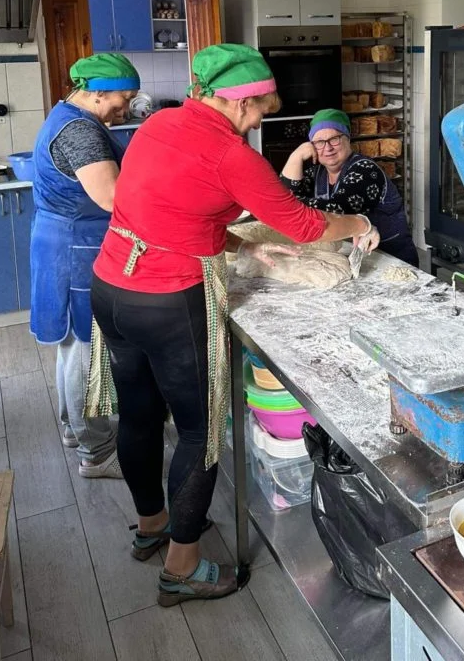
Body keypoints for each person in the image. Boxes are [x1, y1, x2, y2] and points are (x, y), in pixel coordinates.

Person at [91, 44, 379, 606]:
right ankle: (182, 566)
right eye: (261, 109)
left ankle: (152, 526)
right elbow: (300, 224)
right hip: (169, 300)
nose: (262, 118)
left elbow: (156, 202)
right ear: (242, 102)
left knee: (141, 412)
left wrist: (223, 238)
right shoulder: (231, 155)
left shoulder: (158, 124)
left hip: (112, 286)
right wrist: (359, 221)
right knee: (199, 431)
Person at [30, 51, 140, 479]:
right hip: (77, 251)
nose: (126, 109)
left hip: (61, 243)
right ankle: (96, 453)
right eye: (122, 98)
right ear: (97, 93)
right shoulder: (81, 132)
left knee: (70, 347)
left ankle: (74, 431)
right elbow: (112, 199)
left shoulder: (65, 116)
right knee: (86, 351)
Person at [281, 108, 419, 267]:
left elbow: (338, 210)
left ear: (348, 139)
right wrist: (296, 157)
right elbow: (284, 196)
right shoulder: (317, 172)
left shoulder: (366, 171)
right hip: (354, 260)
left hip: (390, 260)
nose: (328, 148)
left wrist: (287, 206)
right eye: (319, 142)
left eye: (335, 139)